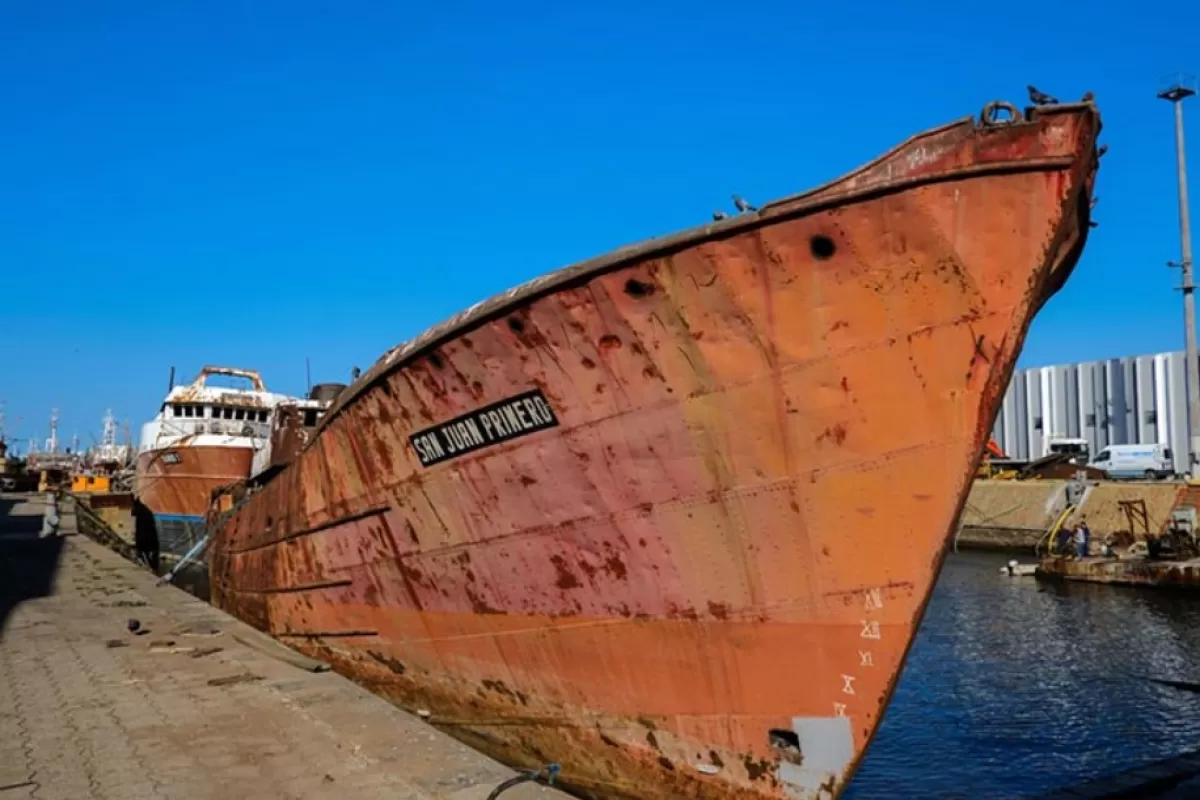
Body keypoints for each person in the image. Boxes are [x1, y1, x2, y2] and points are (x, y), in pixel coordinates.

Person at [131, 496, 161, 573]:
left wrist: (137, 540)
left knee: (144, 552)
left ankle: (151, 567)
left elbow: (139, 529)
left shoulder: (140, 512)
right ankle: (154, 567)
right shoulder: (146, 511)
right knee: (151, 553)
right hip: (151, 537)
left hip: (146, 538)